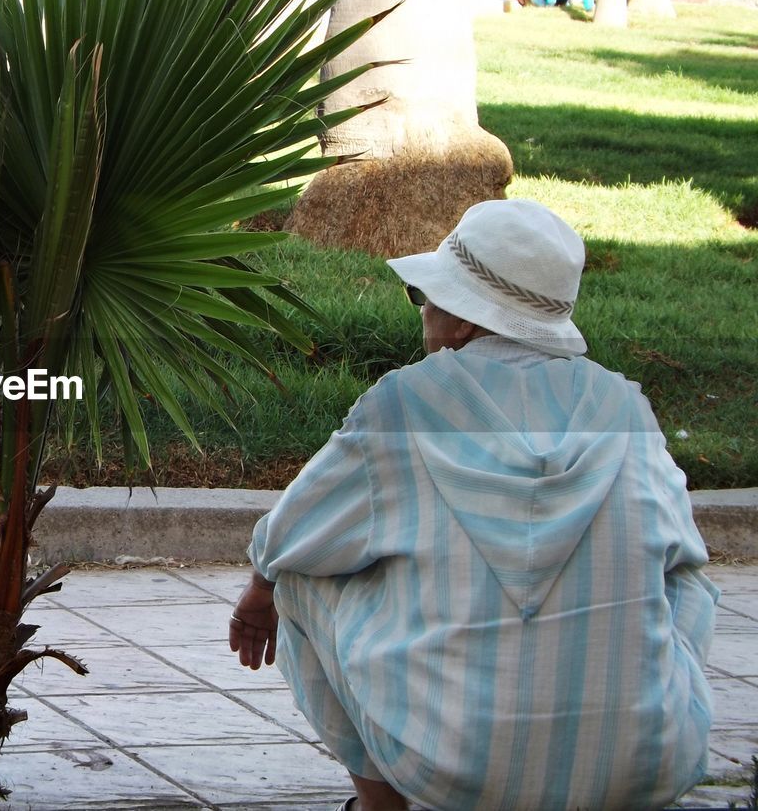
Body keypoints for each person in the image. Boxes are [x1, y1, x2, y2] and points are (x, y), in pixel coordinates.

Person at [229, 199, 718, 811]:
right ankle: (621, 731)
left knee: (297, 573)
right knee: (687, 584)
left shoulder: (407, 406)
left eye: (425, 296)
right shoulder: (624, 410)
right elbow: (681, 555)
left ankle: (381, 807)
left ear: (462, 319)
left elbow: (291, 534)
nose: (424, 312)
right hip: (645, 768)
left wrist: (259, 588)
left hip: (453, 768)